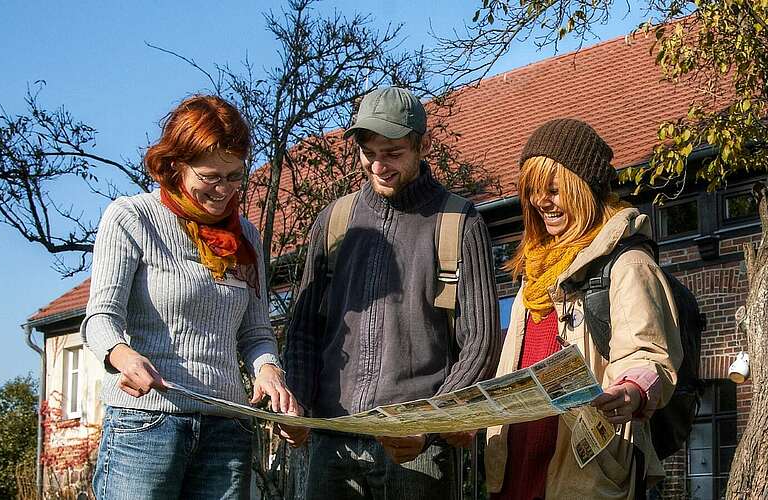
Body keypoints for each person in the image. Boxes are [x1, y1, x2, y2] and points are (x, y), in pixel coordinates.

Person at [282, 86, 501, 499]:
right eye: (369, 152)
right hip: (334, 438)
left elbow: (480, 342)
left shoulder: (457, 222)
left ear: (424, 145)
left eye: (393, 153)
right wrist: (298, 402)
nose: (378, 165)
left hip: (417, 448)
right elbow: (303, 331)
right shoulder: (335, 221)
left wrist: (432, 421)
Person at [83, 94, 298, 500]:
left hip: (226, 429)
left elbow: (255, 333)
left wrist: (269, 369)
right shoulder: (131, 218)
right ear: (175, 166)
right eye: (210, 176)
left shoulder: (246, 237)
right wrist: (121, 355)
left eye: (235, 176)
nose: (224, 190)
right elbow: (100, 317)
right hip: (146, 424)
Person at [484, 118, 683, 500]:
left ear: (584, 188)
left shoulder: (628, 264)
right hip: (516, 472)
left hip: (582, 475)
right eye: (534, 191)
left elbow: (649, 353)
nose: (543, 201)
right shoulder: (533, 273)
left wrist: (633, 391)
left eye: (554, 189)